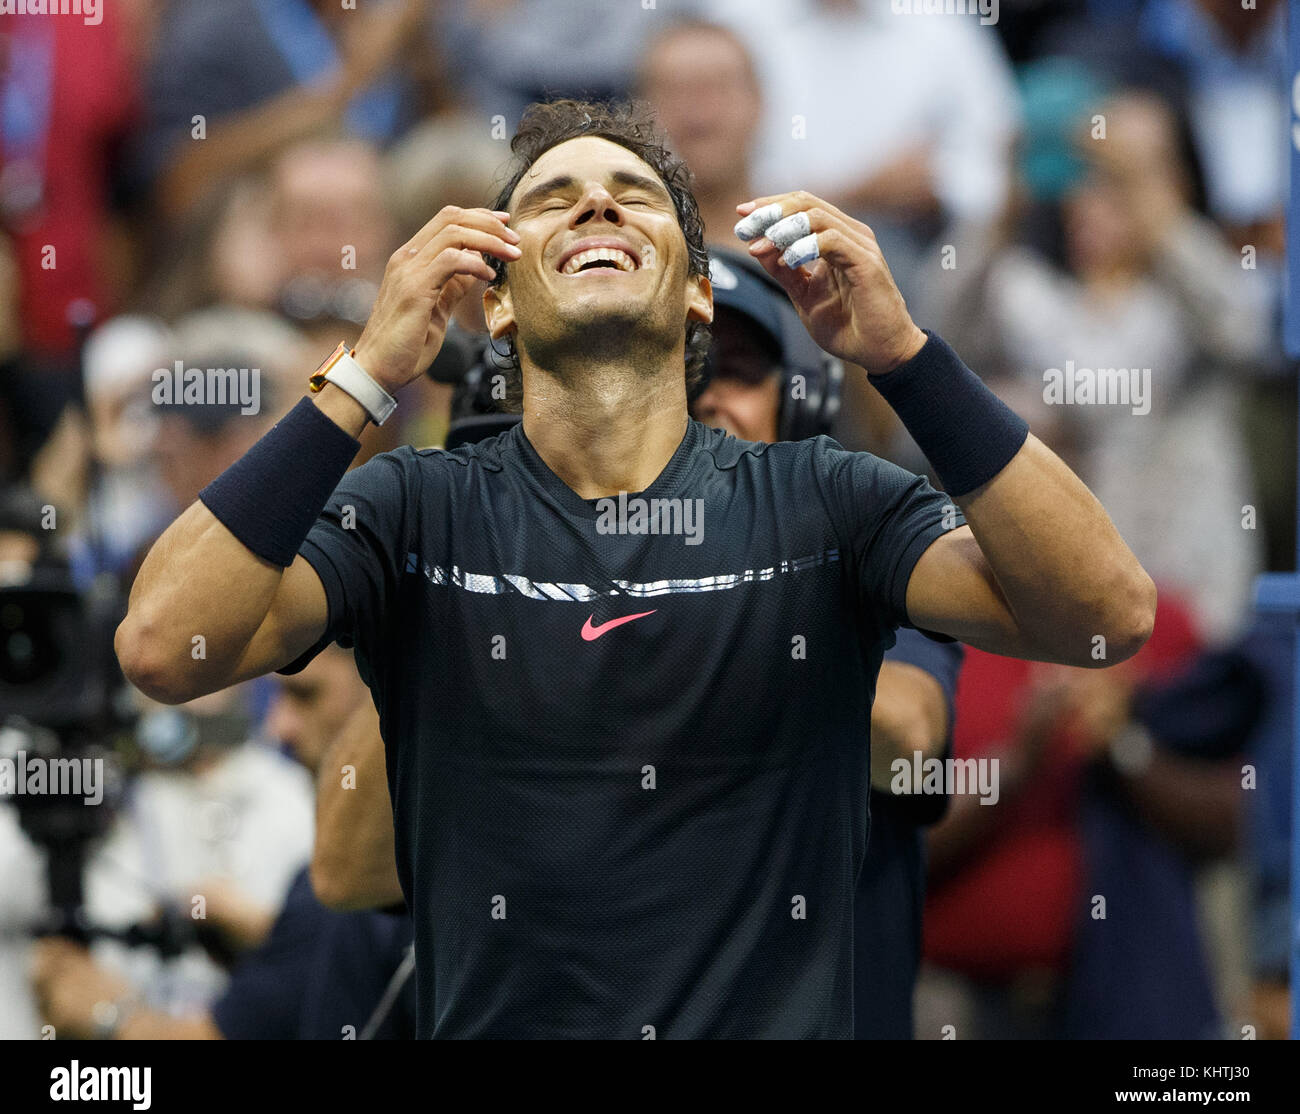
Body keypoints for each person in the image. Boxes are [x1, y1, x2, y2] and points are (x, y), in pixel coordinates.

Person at [116, 99, 1155, 1039]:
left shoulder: (827, 497)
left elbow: (1105, 614)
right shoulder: (414, 506)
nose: (597, 207)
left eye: (634, 197)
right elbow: (164, 644)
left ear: (697, 291)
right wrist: (368, 369)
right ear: (500, 303)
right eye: (553, 199)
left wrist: (905, 355)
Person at [692, 248, 964, 1039]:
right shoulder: (572, 573)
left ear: (802, 401)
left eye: (739, 371)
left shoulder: (874, 550)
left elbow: (910, 736)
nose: (708, 399)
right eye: (684, 375)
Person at [30, 646, 415, 1040]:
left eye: (305, 694)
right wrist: (266, 944)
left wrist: (108, 1015)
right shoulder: (341, 878)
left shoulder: (357, 878)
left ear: (383, 693)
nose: (278, 727)